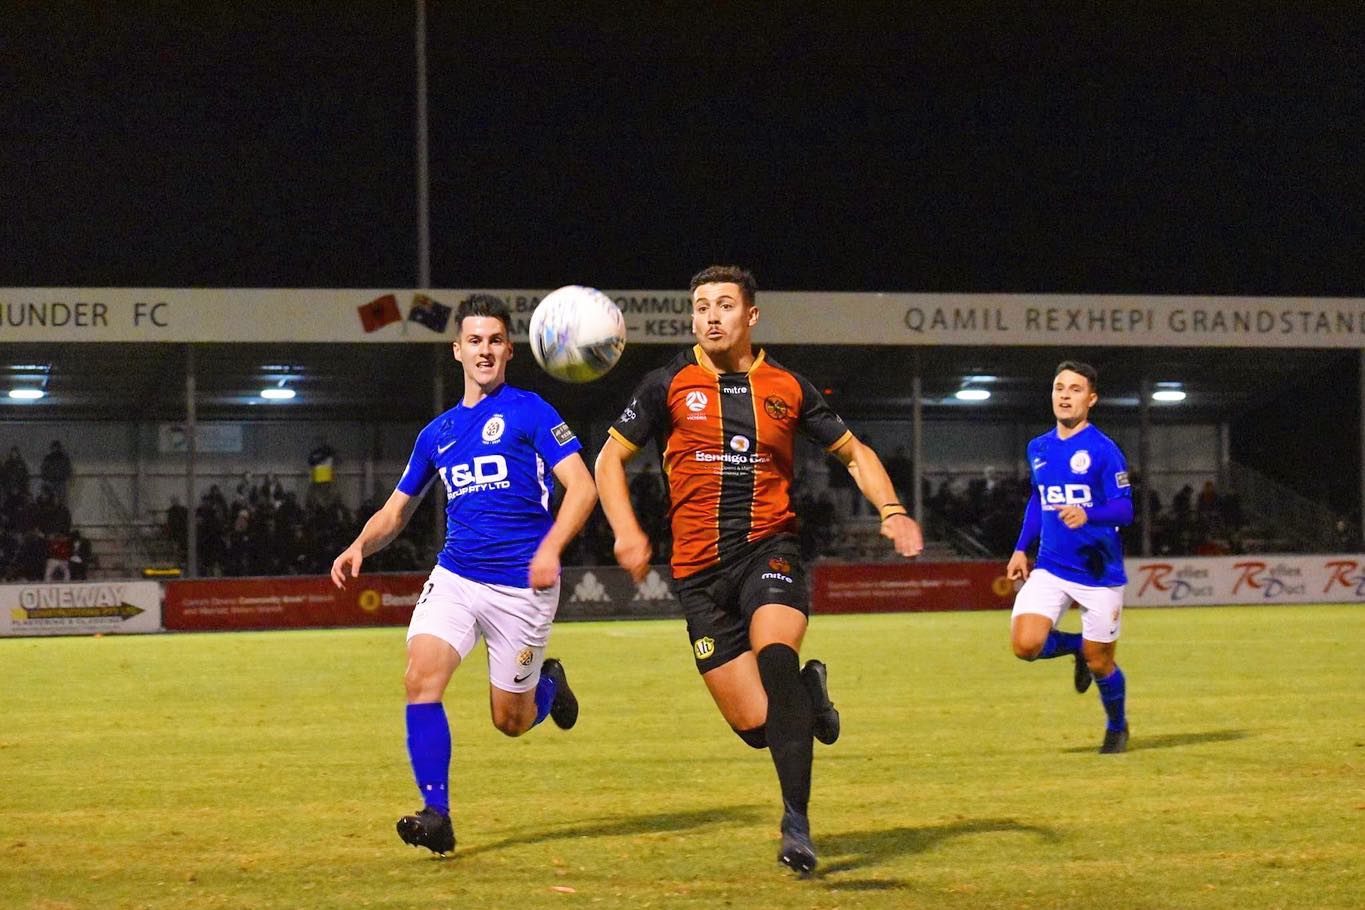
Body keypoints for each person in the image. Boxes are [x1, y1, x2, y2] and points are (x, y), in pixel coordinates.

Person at [594, 265, 923, 876]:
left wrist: (893, 509)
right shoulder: (666, 382)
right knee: (757, 726)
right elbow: (609, 458)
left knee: (776, 660)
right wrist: (626, 530)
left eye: (723, 304)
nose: (711, 315)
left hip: (768, 551)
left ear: (751, 316)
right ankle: (811, 695)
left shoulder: (788, 386)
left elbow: (853, 453)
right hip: (697, 578)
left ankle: (796, 826)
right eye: (700, 306)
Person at [331, 294, 597, 857]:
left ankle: (549, 686)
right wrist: (359, 545)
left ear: (509, 350)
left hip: (522, 588)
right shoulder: (438, 434)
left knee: (511, 721)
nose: (484, 350)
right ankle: (437, 816)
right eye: (474, 340)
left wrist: (552, 547)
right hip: (455, 576)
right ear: (457, 351)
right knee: (419, 677)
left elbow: (583, 486)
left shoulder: (532, 412)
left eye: (495, 340)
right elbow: (397, 510)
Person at [1006, 360, 1133, 754]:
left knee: (1101, 664)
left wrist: (1089, 513)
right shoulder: (1039, 447)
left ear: (1091, 399)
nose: (1064, 395)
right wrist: (1020, 547)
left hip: (1099, 572)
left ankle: (1117, 726)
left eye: (1075, 389)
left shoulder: (1104, 450)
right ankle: (1078, 646)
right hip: (1051, 566)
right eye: (1059, 387)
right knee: (1025, 646)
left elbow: (1125, 510)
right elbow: (1038, 499)